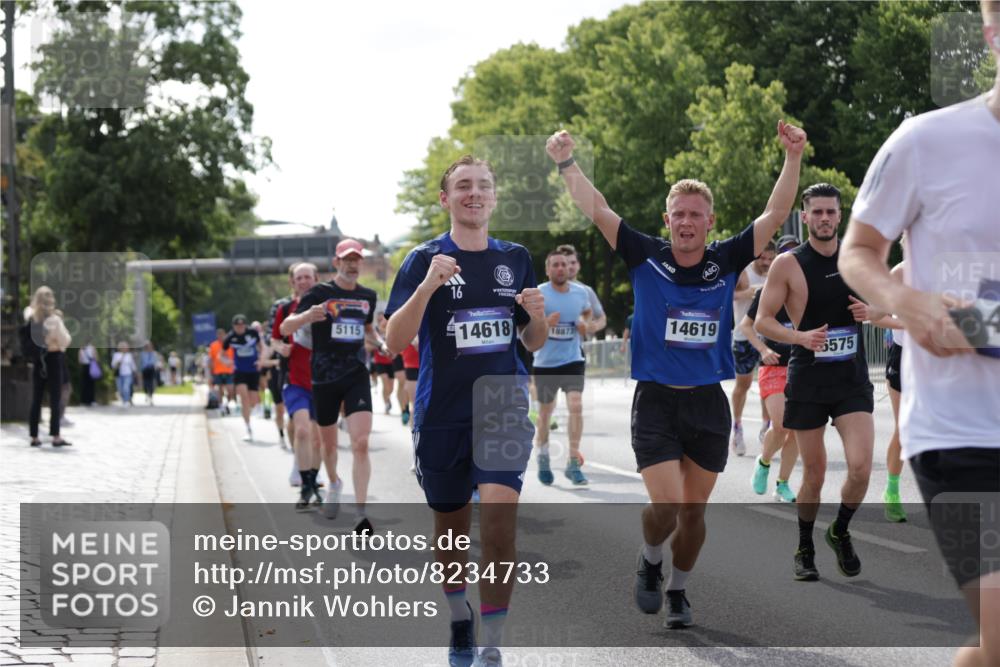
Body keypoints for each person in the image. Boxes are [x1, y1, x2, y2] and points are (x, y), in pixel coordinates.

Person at [548, 121, 804, 630]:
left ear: (710, 222)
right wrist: (565, 163)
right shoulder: (645, 253)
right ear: (667, 220)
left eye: (696, 215)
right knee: (665, 507)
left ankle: (679, 591)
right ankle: (649, 557)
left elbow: (775, 213)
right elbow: (597, 208)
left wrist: (793, 157)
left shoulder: (725, 259)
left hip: (707, 401)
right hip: (657, 402)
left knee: (693, 513)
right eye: (679, 215)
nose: (686, 223)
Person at [839, 4, 999, 661]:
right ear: (992, 32)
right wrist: (905, 298)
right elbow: (858, 248)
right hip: (962, 434)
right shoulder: (925, 140)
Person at [385, 155, 547, 667]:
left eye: (482, 186)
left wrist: (539, 318)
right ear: (446, 198)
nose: (474, 194)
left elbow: (531, 340)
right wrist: (430, 285)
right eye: (462, 186)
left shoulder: (516, 258)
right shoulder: (423, 259)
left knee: (499, 523)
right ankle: (460, 616)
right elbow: (394, 341)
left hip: (500, 407)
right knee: (452, 533)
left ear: (494, 197)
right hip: (442, 413)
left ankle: (494, 641)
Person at [755, 183, 879, 582]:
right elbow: (762, 320)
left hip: (850, 378)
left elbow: (890, 302)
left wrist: (871, 311)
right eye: (817, 212)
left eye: (831, 212)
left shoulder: (859, 258)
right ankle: (804, 544)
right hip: (808, 378)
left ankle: (839, 529)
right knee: (815, 474)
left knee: (860, 468)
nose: (825, 218)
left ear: (840, 216)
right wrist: (798, 337)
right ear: (804, 216)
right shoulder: (787, 264)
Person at [281, 239, 382, 532]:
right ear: (336, 263)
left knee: (361, 442)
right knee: (328, 446)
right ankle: (334, 482)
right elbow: (287, 327)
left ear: (361, 263)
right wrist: (306, 316)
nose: (352, 264)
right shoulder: (319, 292)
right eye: (346, 259)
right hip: (324, 378)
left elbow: (367, 331)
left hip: (356, 374)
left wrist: (383, 343)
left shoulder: (368, 296)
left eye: (357, 259)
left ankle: (361, 514)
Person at [740, 251, 798, 503]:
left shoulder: (804, 293)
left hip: (800, 367)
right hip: (772, 367)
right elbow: (745, 325)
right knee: (782, 424)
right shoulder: (765, 293)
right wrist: (763, 349)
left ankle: (782, 484)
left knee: (796, 430)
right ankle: (763, 463)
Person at [533, 249, 593, 486]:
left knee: (576, 405)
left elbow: (588, 312)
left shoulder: (580, 293)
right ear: (547, 270)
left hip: (572, 360)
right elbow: (528, 328)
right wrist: (545, 323)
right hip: (545, 363)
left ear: (569, 268)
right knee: (546, 414)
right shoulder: (539, 293)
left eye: (563, 265)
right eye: (554, 265)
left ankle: (573, 463)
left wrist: (584, 324)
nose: (560, 268)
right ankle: (544, 457)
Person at [274, 262, 325, 497]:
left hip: (324, 380)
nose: (303, 281)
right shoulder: (285, 309)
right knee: (302, 430)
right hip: (295, 378)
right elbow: (276, 337)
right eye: (299, 278)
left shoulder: (328, 305)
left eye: (308, 277)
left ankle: (313, 477)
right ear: (292, 282)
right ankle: (305, 482)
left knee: (317, 438)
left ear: (316, 279)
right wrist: (280, 348)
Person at [729, 242, 776, 455]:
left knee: (770, 387)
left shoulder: (776, 269)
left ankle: (766, 428)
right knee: (744, 384)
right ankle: (737, 426)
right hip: (743, 336)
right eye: (762, 259)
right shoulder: (744, 272)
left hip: (769, 336)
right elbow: (727, 295)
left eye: (770, 258)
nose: (766, 263)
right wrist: (750, 292)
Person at [24, 286, 72, 447]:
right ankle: (56, 436)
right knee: (55, 399)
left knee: (36, 398)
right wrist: (55, 341)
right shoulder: (54, 319)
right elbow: (65, 340)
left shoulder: (31, 318)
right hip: (53, 358)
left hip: (38, 360)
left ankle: (34, 437)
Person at [223, 315, 264, 441]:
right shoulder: (230, 338)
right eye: (237, 325)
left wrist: (261, 360)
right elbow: (221, 354)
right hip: (239, 371)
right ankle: (248, 427)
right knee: (243, 398)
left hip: (253, 370)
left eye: (242, 325)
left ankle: (251, 413)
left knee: (252, 400)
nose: (240, 327)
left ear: (245, 325)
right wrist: (228, 362)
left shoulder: (253, 333)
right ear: (233, 326)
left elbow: (261, 347)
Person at [208, 328, 236, 414]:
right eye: (219, 335)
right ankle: (221, 406)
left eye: (222, 334)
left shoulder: (230, 345)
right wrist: (211, 372)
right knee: (220, 390)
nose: (221, 336)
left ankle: (227, 403)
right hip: (218, 371)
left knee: (230, 389)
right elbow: (211, 359)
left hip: (229, 370)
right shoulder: (213, 345)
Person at [111, 341, 137, 407]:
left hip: (128, 374)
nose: (125, 348)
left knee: (126, 388)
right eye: (123, 347)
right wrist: (121, 357)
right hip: (119, 374)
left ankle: (126, 401)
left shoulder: (129, 355)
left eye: (126, 347)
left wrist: (135, 372)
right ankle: (123, 399)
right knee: (120, 389)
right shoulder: (116, 355)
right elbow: (113, 365)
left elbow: (132, 365)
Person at [78, 341, 99, 406]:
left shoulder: (81, 349)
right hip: (91, 367)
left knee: (84, 385)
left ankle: (84, 401)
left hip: (84, 367)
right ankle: (91, 400)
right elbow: (96, 358)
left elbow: (80, 360)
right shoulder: (92, 348)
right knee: (91, 385)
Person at [140, 341, 158, 405]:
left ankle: (151, 396)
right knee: (145, 384)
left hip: (151, 370)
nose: (149, 347)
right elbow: (141, 363)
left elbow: (155, 362)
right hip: (145, 370)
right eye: (147, 346)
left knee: (151, 384)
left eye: (150, 346)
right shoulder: (142, 354)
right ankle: (146, 394)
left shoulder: (154, 353)